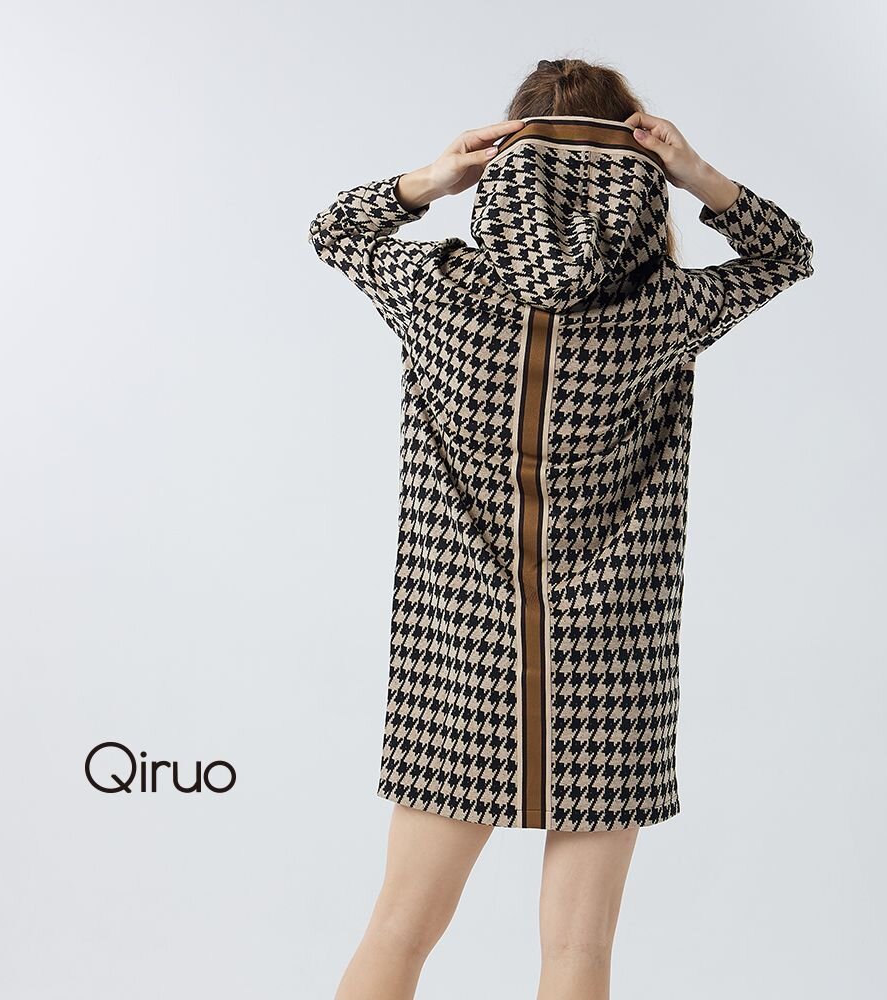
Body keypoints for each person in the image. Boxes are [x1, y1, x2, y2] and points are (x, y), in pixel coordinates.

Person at [308, 57, 815, 1000]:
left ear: (502, 170)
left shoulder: (437, 292)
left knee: (399, 932)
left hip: (459, 655)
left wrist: (431, 179)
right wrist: (697, 175)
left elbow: (334, 229)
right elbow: (786, 254)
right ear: (637, 171)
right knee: (579, 956)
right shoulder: (664, 310)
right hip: (611, 661)